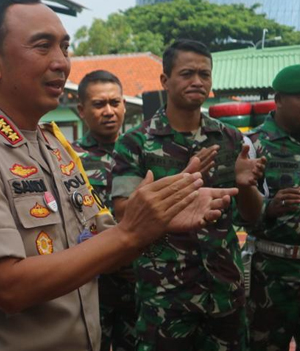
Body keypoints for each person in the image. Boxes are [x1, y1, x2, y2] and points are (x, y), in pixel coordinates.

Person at [0, 0, 238, 351]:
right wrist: (130, 233)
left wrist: (158, 220)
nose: (61, 62)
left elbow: (95, 244)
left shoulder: (55, 146)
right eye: (43, 46)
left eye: (64, 47)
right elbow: (8, 287)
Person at [111, 39, 266, 351]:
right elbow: (124, 215)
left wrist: (246, 185)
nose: (198, 81)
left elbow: (252, 217)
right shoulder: (135, 143)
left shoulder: (231, 139)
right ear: (165, 81)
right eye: (187, 73)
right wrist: (179, 187)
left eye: (205, 74)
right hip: (165, 297)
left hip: (225, 295)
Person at [72, 70, 136, 351]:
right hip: (90, 284)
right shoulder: (68, 159)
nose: (109, 111)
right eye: (99, 104)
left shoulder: (143, 152)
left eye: (115, 102)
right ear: (81, 111)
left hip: (137, 283)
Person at [245, 64, 300, 351]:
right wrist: (268, 207)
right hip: (271, 275)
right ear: (279, 100)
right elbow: (235, 212)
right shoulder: (253, 144)